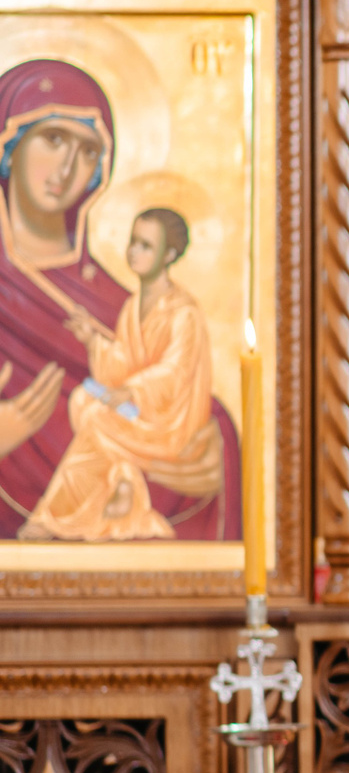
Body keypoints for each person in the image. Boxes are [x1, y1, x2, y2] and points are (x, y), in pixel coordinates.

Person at [0, 59, 239, 540]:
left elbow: (177, 387)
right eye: (53, 139)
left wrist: (216, 451)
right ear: (9, 144)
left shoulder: (122, 303)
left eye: (87, 150)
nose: (67, 168)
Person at [22, 208, 220, 541]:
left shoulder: (183, 312)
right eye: (133, 242)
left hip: (169, 422)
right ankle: (124, 477)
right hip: (139, 410)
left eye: (146, 245)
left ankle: (52, 518)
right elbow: (124, 365)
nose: (134, 251)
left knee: (97, 418)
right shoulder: (133, 307)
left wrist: (131, 392)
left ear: (169, 255)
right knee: (82, 400)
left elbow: (175, 373)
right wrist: (92, 340)